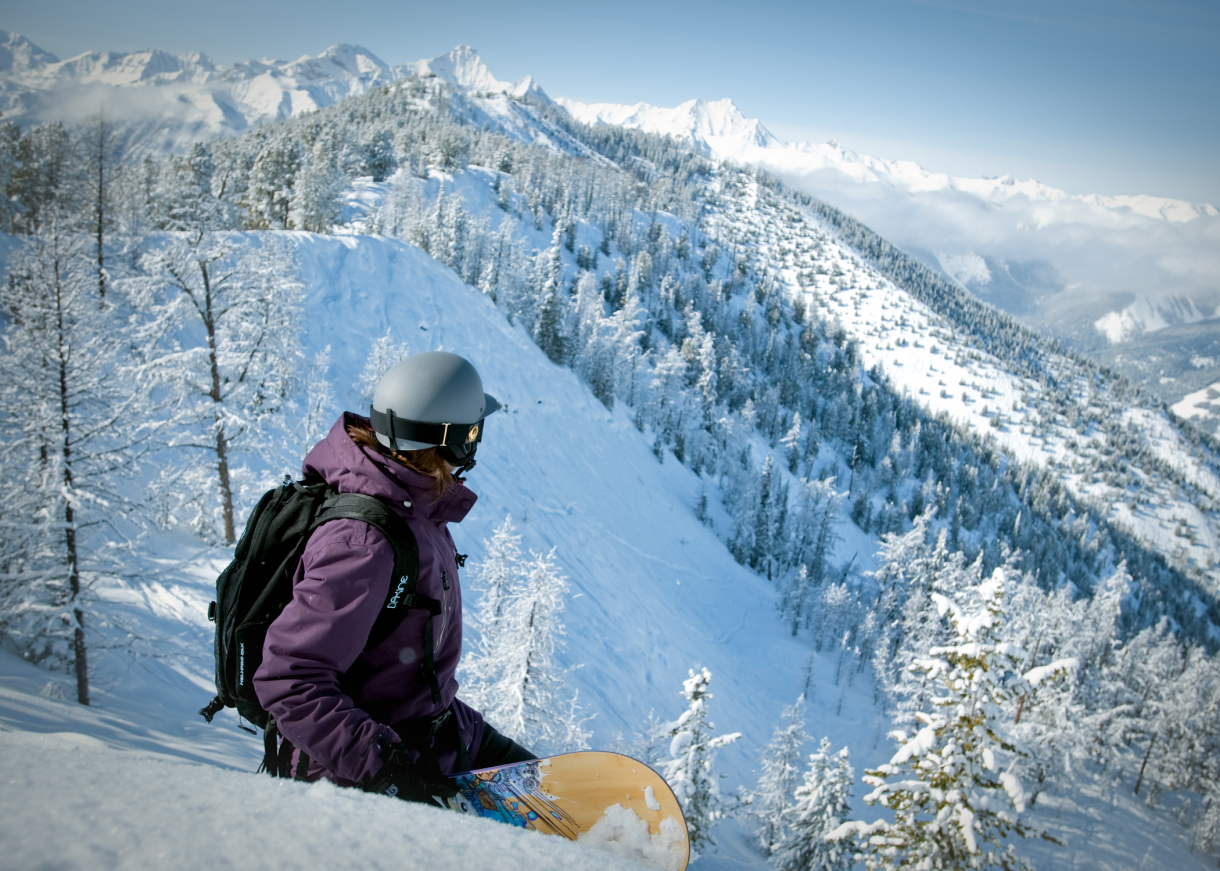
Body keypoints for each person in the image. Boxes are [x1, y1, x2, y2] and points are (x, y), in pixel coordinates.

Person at [253, 350, 533, 804]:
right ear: (456, 440)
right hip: (351, 793)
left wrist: (478, 743)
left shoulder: (415, 510)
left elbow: (402, 679)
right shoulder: (364, 542)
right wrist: (390, 770)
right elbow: (291, 679)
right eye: (476, 430)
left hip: (420, 746)